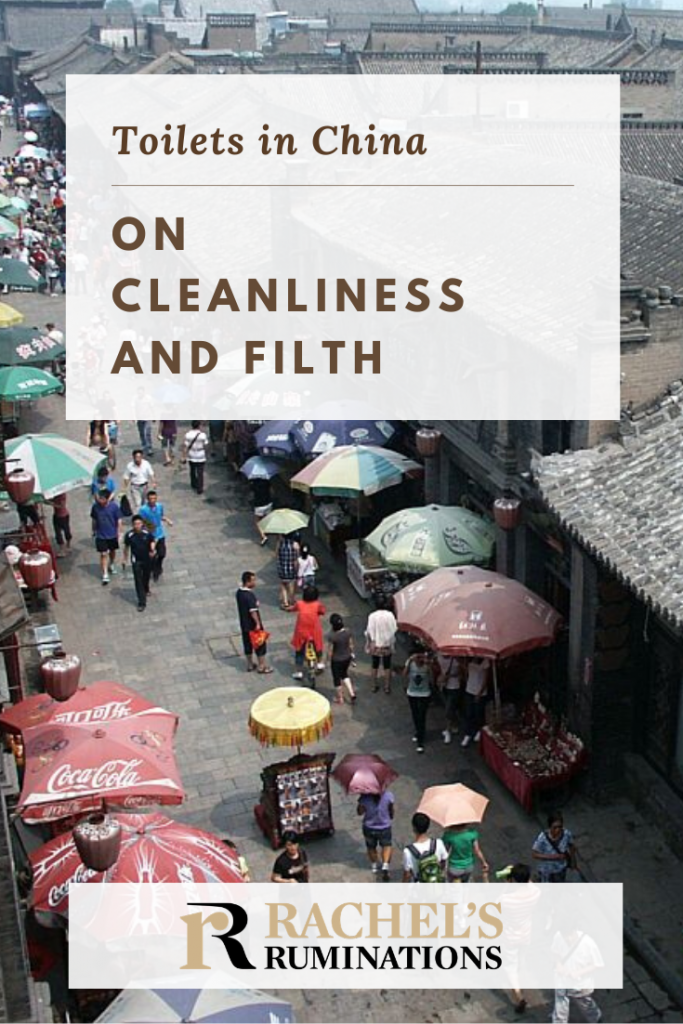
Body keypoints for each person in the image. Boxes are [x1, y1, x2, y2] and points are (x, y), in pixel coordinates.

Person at [500, 863, 542, 1016]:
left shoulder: (506, 900)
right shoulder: (535, 893)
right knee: (521, 960)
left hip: (510, 937)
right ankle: (521, 979)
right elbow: (528, 884)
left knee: (510, 966)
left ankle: (518, 996)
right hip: (526, 934)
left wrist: (507, 885)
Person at [551, 913, 604, 1024]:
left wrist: (578, 973)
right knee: (560, 1008)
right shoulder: (558, 936)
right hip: (562, 982)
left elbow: (598, 964)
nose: (568, 939)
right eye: (565, 936)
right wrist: (558, 965)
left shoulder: (588, 943)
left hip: (580, 985)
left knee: (586, 1005)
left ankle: (596, 1018)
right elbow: (555, 953)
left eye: (570, 935)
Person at [235, 570, 272, 674]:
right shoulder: (249, 596)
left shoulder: (239, 593)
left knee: (247, 644)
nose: (255, 582)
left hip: (244, 624)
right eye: (253, 580)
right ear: (248, 582)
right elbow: (253, 611)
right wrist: (257, 623)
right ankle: (262, 666)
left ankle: (250, 664)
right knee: (260, 644)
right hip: (252, 625)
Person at [290, 585, 326, 680]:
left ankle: (298, 672)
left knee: (299, 652)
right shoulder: (317, 605)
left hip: (301, 632)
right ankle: (320, 663)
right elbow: (323, 611)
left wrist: (288, 608)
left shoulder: (299, 604)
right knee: (317, 647)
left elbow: (293, 609)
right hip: (314, 631)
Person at [404, 646, 435, 753]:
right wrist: (409, 662)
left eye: (420, 656)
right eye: (417, 657)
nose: (418, 659)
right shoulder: (411, 663)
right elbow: (404, 674)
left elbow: (432, 678)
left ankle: (420, 741)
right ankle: (418, 732)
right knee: (415, 714)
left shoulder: (427, 665)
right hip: (412, 693)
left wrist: (429, 664)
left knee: (422, 715)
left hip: (424, 694)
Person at [122, 514, 156, 612]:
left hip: (147, 559)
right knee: (138, 580)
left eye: (139, 523)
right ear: (132, 525)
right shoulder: (129, 535)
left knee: (146, 576)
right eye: (135, 524)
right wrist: (124, 559)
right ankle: (142, 602)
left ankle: (146, 588)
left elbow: (152, 541)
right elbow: (126, 547)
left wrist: (152, 549)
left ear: (142, 524)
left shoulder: (147, 533)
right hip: (136, 560)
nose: (137, 525)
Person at [358, 789, 394, 879]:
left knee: (371, 847)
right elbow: (391, 810)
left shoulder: (365, 798)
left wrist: (361, 799)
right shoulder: (388, 795)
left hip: (369, 827)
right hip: (384, 827)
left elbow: (359, 812)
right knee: (387, 845)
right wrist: (391, 815)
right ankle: (385, 865)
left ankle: (374, 865)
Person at [365, 595, 397, 695]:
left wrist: (370, 642)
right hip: (387, 644)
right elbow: (394, 628)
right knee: (387, 666)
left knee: (375, 665)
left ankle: (374, 685)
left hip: (376, 645)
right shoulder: (390, 615)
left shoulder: (372, 616)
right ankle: (387, 687)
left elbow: (369, 631)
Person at [402, 812, 448, 883]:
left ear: (414, 828)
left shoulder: (408, 851)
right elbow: (443, 861)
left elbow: (407, 874)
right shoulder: (438, 843)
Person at [532, 812, 577, 883]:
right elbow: (535, 854)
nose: (558, 830)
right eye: (555, 827)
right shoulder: (542, 838)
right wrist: (554, 857)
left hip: (561, 868)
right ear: (550, 827)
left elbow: (571, 846)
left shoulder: (566, 834)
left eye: (560, 827)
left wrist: (573, 861)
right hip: (547, 870)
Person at [139, 490, 173, 581]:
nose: (152, 500)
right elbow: (141, 521)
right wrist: (150, 528)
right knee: (152, 554)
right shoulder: (143, 510)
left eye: (154, 498)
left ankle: (158, 565)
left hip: (160, 533)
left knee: (162, 553)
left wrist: (167, 520)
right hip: (150, 534)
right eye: (151, 499)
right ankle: (154, 570)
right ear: (147, 499)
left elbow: (161, 516)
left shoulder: (159, 506)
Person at [90, 488, 122, 585]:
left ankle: (111, 563)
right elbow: (94, 519)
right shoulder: (95, 507)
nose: (100, 500)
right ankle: (105, 574)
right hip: (101, 535)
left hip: (112, 534)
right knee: (103, 554)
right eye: (100, 498)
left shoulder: (114, 507)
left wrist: (119, 533)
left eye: (103, 499)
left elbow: (119, 520)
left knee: (112, 551)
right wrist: (93, 530)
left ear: (108, 499)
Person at [461, 656, 491, 748]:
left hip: (480, 692)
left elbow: (486, 679)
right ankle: (468, 734)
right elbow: (467, 673)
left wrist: (480, 692)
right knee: (469, 713)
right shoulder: (469, 659)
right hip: (469, 690)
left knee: (478, 713)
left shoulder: (485, 661)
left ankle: (479, 730)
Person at [327, 613, 356, 704]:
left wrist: (327, 660)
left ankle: (340, 698)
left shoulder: (333, 636)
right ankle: (352, 693)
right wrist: (352, 654)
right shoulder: (348, 632)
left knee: (336, 679)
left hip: (336, 660)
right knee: (344, 674)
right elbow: (351, 645)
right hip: (347, 658)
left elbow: (330, 651)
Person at [437, 654, 463, 744]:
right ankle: (454, 724)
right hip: (444, 686)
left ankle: (448, 730)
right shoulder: (439, 657)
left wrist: (451, 675)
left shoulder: (456, 660)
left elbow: (461, 672)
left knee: (448, 710)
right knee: (450, 707)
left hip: (454, 686)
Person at [123, 449, 155, 513]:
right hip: (135, 487)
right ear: (133, 457)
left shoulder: (146, 464)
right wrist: (125, 487)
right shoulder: (130, 466)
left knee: (144, 503)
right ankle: (139, 518)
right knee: (138, 503)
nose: (138, 459)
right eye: (136, 457)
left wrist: (153, 482)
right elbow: (126, 477)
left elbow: (151, 473)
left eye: (139, 457)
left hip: (145, 486)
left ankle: (144, 516)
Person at [182, 421, 209, 495]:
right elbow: (206, 445)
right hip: (201, 455)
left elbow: (185, 446)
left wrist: (184, 456)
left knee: (192, 470)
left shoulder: (188, 435)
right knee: (200, 472)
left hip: (191, 455)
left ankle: (194, 483)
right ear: (199, 426)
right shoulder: (203, 435)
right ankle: (200, 488)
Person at [276, 532, 300, 610]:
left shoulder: (280, 544)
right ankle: (292, 601)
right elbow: (297, 558)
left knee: (283, 585)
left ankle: (285, 603)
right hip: (291, 568)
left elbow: (276, 555)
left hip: (282, 567)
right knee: (291, 585)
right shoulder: (295, 545)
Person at [251, 478, 272, 546]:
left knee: (257, 521)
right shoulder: (267, 481)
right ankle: (266, 530)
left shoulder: (254, 483)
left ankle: (263, 536)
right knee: (266, 517)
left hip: (259, 505)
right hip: (268, 502)